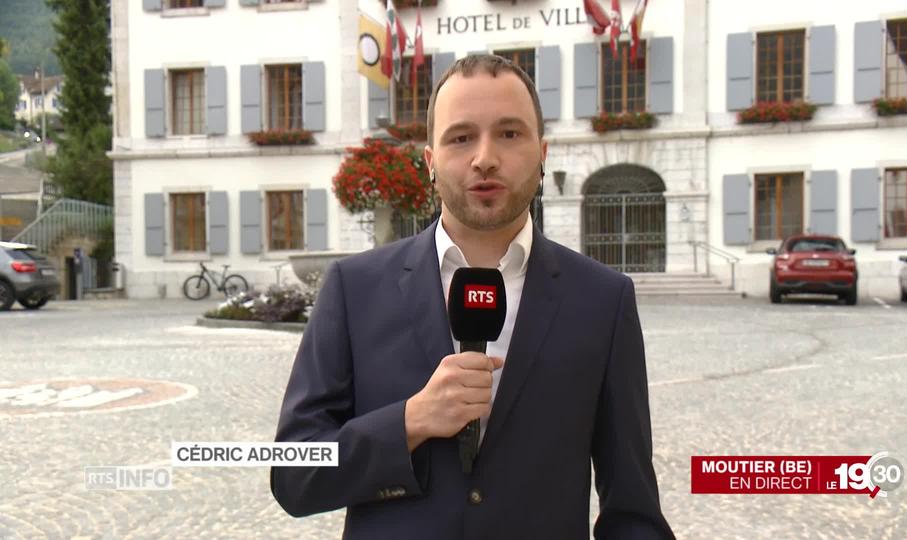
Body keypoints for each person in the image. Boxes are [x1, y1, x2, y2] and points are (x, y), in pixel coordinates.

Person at [271, 54, 674, 539]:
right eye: (461, 137)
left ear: (542, 152)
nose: (485, 157)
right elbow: (294, 475)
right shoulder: (354, 289)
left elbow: (633, 510)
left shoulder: (603, 301)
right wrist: (408, 423)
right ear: (430, 161)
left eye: (509, 133)